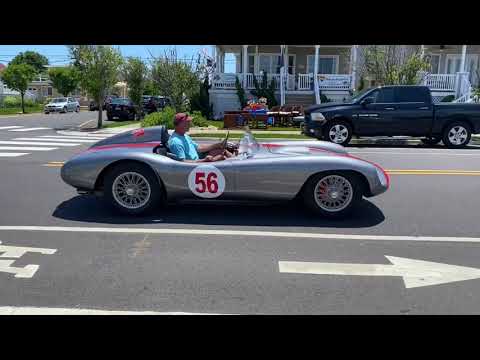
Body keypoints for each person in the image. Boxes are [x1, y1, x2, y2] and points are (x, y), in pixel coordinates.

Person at [167, 113, 233, 162]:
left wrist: (217, 145)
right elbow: (182, 162)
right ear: (180, 124)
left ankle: (236, 160)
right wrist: (204, 160)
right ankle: (236, 164)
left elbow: (199, 148)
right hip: (195, 166)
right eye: (187, 122)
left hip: (199, 160)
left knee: (222, 151)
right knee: (222, 157)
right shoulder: (175, 142)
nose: (190, 124)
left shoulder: (185, 136)